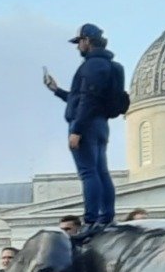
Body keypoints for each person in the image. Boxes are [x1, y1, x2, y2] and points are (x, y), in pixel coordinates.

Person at [45, 23, 126, 234]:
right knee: (101, 172)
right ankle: (107, 216)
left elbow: (87, 99)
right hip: (100, 124)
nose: (77, 47)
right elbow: (82, 98)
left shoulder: (91, 66)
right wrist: (57, 90)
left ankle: (91, 220)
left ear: (87, 41)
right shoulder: (109, 66)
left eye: (79, 42)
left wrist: (77, 130)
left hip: (86, 124)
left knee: (89, 173)